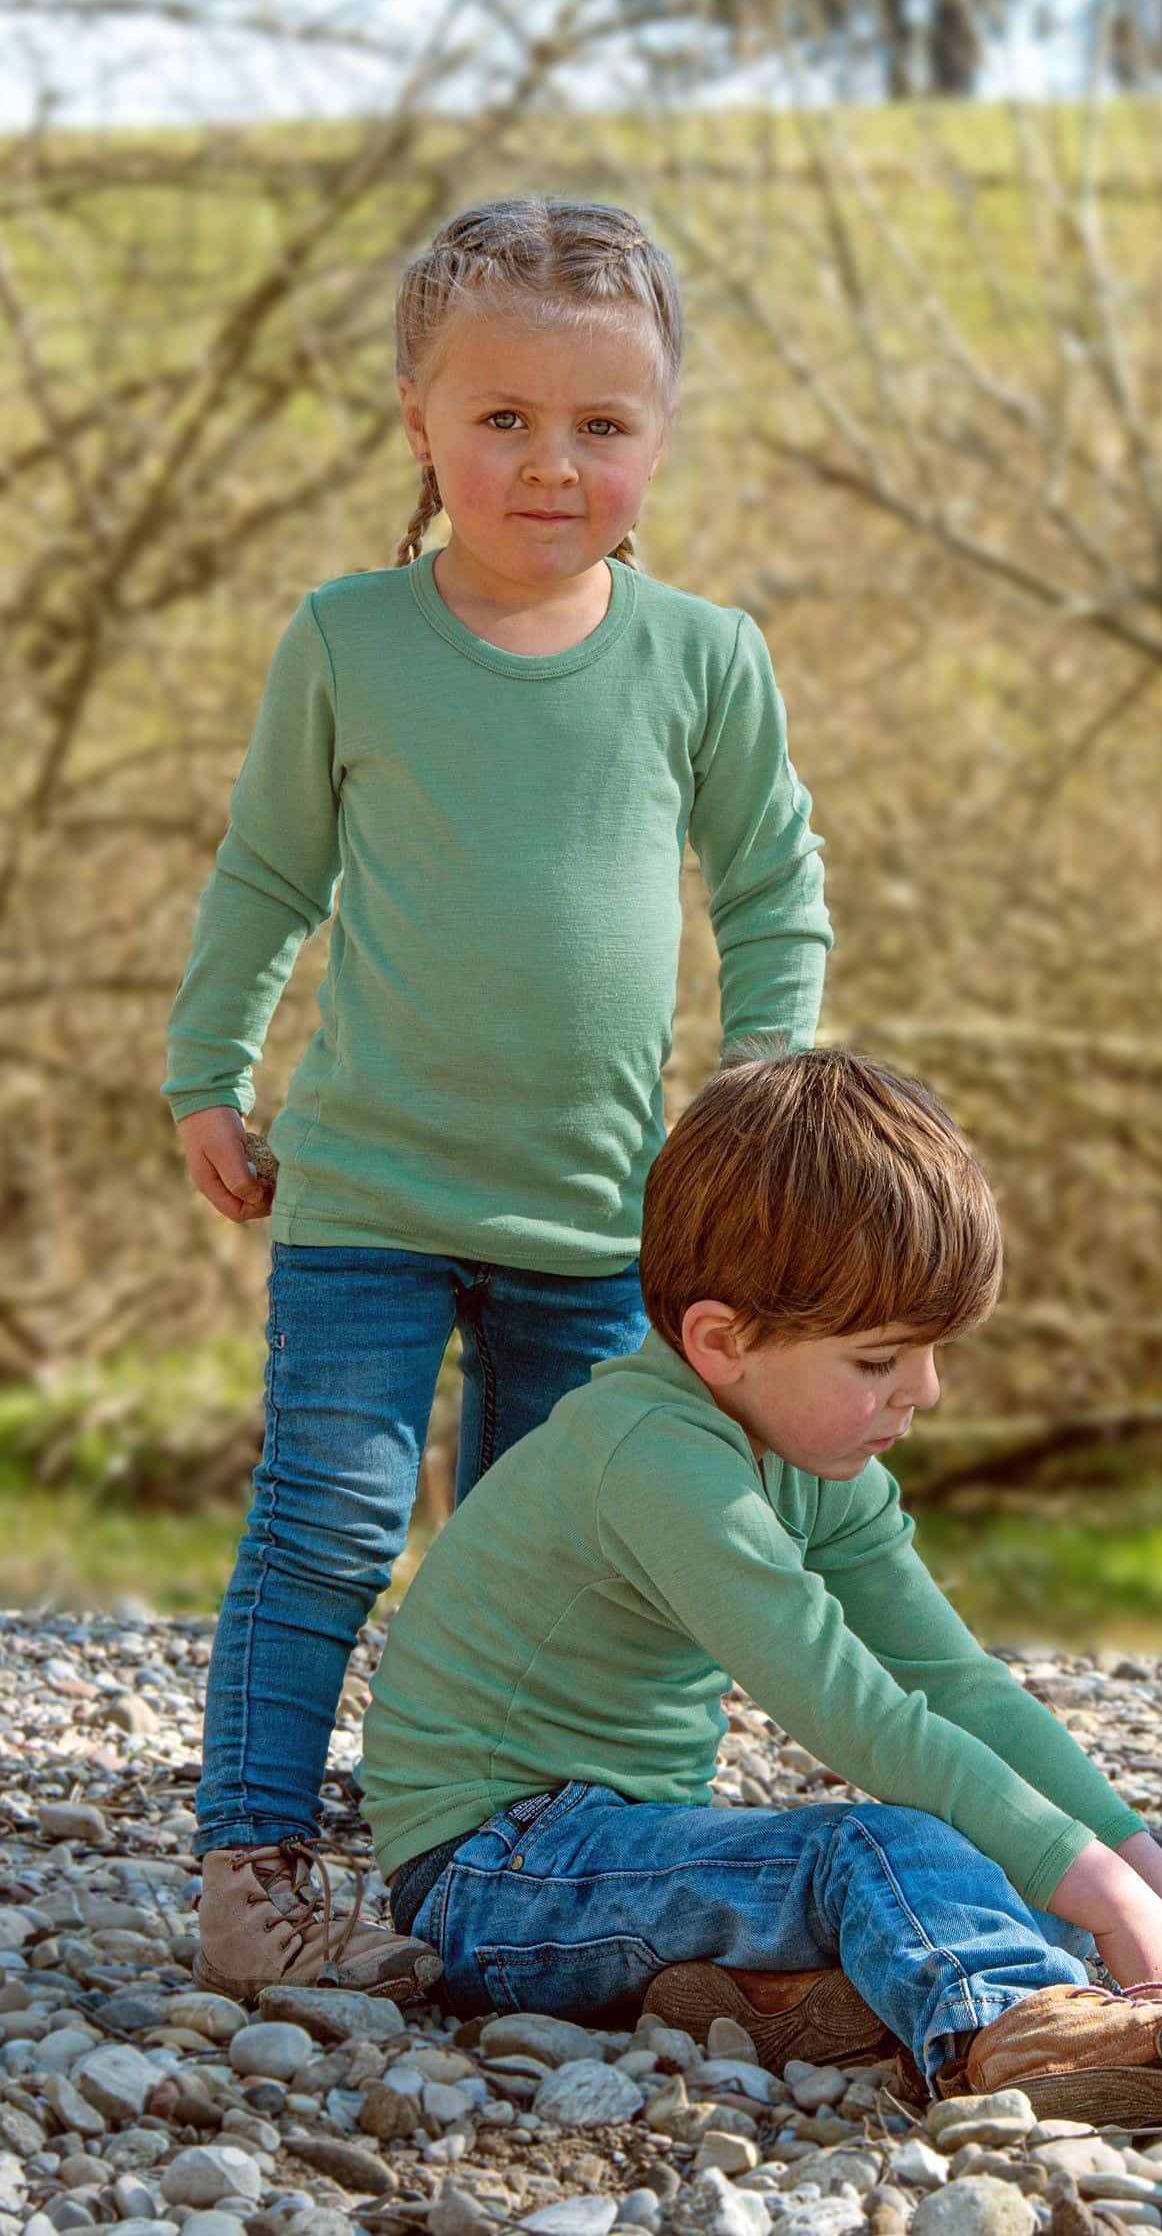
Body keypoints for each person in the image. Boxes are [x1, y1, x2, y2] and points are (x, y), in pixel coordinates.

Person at [162, 198, 832, 2002]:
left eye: (602, 426)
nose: (552, 465)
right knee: (328, 1516)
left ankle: (584, 1877)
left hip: (604, 1215)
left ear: (663, 432)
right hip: (371, 1192)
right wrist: (203, 1071)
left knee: (588, 1558)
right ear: (420, 422)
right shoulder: (351, 641)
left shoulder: (705, 658)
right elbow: (264, 879)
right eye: (504, 421)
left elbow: (774, 888)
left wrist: (760, 1102)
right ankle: (257, 1872)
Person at [360, 1050, 1162, 2125]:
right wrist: (1104, 1891)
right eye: (879, 1359)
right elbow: (857, 1709)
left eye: (932, 1353)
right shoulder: (652, 1458)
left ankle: (797, 2006)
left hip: (619, 1854)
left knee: (1027, 1874)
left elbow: (962, 1689)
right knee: (891, 1846)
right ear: (721, 1342)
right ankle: (1026, 2038)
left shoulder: (815, 1465)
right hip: (492, 1877)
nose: (926, 1391)